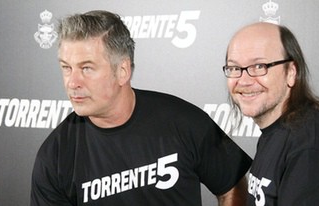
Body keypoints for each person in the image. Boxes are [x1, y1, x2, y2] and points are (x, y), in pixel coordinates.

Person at [30, 10, 252, 206]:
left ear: (123, 71)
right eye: (66, 68)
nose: (72, 82)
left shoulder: (184, 121)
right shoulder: (55, 156)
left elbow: (232, 184)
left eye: (87, 68)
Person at [222, 22, 319, 206]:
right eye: (234, 68)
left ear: (291, 72)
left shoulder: (315, 140)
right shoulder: (278, 131)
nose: (244, 80)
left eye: (259, 66)